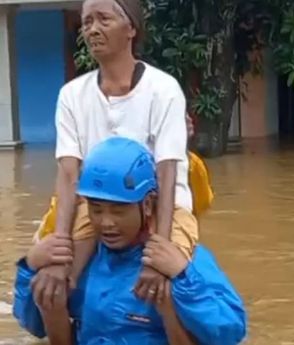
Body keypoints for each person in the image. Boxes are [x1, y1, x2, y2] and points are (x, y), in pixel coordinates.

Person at [37, 0, 199, 304]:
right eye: (87, 22)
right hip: (96, 206)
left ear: (131, 29)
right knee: (55, 282)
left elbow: (167, 173)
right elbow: (69, 174)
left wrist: (159, 250)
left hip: (158, 204)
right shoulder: (71, 95)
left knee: (172, 284)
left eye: (103, 20)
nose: (93, 30)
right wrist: (59, 247)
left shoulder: (163, 90)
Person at [13, 137, 246, 345]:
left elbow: (230, 332)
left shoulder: (182, 261)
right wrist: (30, 267)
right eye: (96, 209)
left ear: (146, 205)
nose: (106, 222)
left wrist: (183, 280)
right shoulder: (78, 262)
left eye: (118, 210)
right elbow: (34, 326)